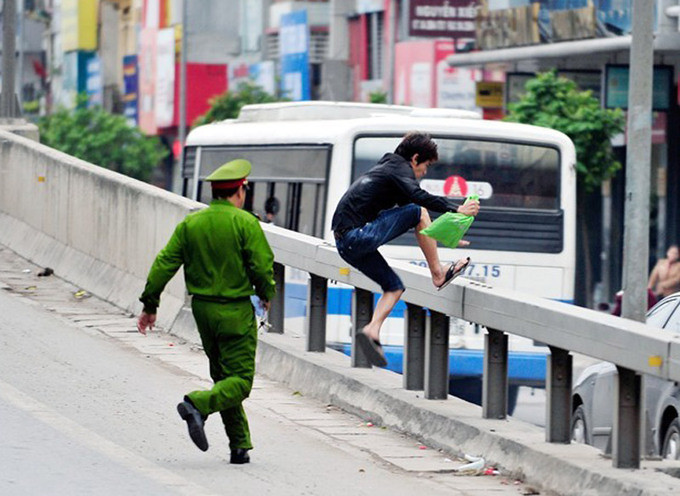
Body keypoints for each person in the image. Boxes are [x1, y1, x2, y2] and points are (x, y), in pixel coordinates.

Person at [137, 159, 276, 464]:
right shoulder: (245, 223)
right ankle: (196, 404)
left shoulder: (191, 224)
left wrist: (150, 304)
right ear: (239, 191)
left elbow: (164, 264)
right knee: (240, 381)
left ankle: (239, 446)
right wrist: (267, 294)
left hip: (202, 311)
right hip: (235, 311)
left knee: (224, 377)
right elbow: (262, 267)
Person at [331, 132, 479, 367]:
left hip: (346, 245)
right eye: (426, 166)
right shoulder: (397, 167)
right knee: (417, 209)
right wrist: (457, 210)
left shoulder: (388, 171)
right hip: (356, 235)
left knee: (395, 287)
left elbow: (417, 220)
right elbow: (418, 200)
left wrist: (447, 235)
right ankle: (438, 274)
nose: (424, 173)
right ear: (416, 158)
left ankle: (372, 330)